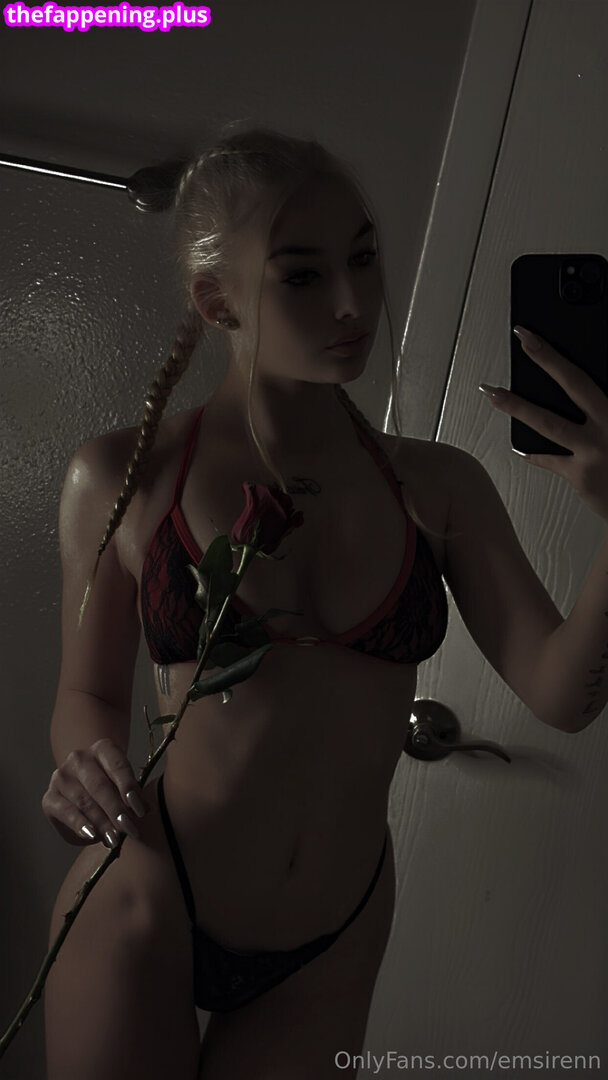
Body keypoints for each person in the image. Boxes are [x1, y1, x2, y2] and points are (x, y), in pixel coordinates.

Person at [41, 126, 566, 1080]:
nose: (353, 302)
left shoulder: (440, 487)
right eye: (304, 276)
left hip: (335, 933)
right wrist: (84, 766)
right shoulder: (124, 475)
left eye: (362, 259)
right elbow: (87, 695)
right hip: (149, 895)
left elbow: (563, 693)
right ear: (218, 301)